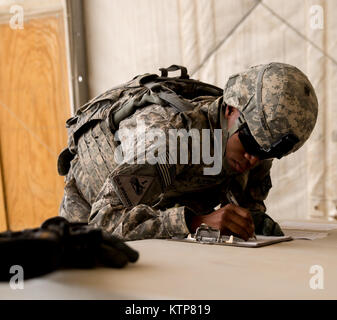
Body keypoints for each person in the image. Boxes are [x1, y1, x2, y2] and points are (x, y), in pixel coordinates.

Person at [58, 62, 318, 241]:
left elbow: (246, 205)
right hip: (90, 209)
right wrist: (195, 222)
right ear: (230, 111)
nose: (254, 159)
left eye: (267, 153)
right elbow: (104, 220)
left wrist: (253, 219)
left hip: (158, 212)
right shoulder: (172, 140)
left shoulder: (257, 144)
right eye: (251, 145)